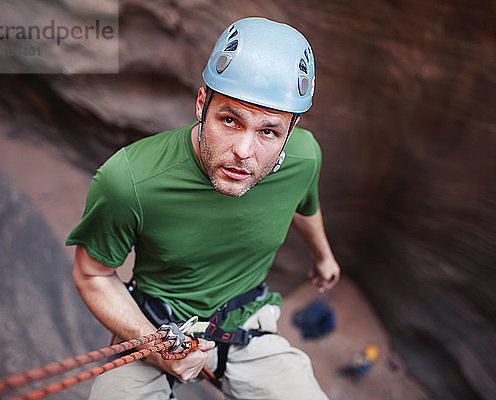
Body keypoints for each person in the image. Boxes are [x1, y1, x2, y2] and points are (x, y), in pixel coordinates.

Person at [67, 16, 340, 400]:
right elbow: (92, 275)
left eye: (268, 131)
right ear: (201, 104)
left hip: (247, 320)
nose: (244, 152)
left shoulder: (303, 158)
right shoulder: (129, 181)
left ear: (290, 133)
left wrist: (323, 256)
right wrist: (157, 346)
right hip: (155, 324)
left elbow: (304, 205)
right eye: (229, 120)